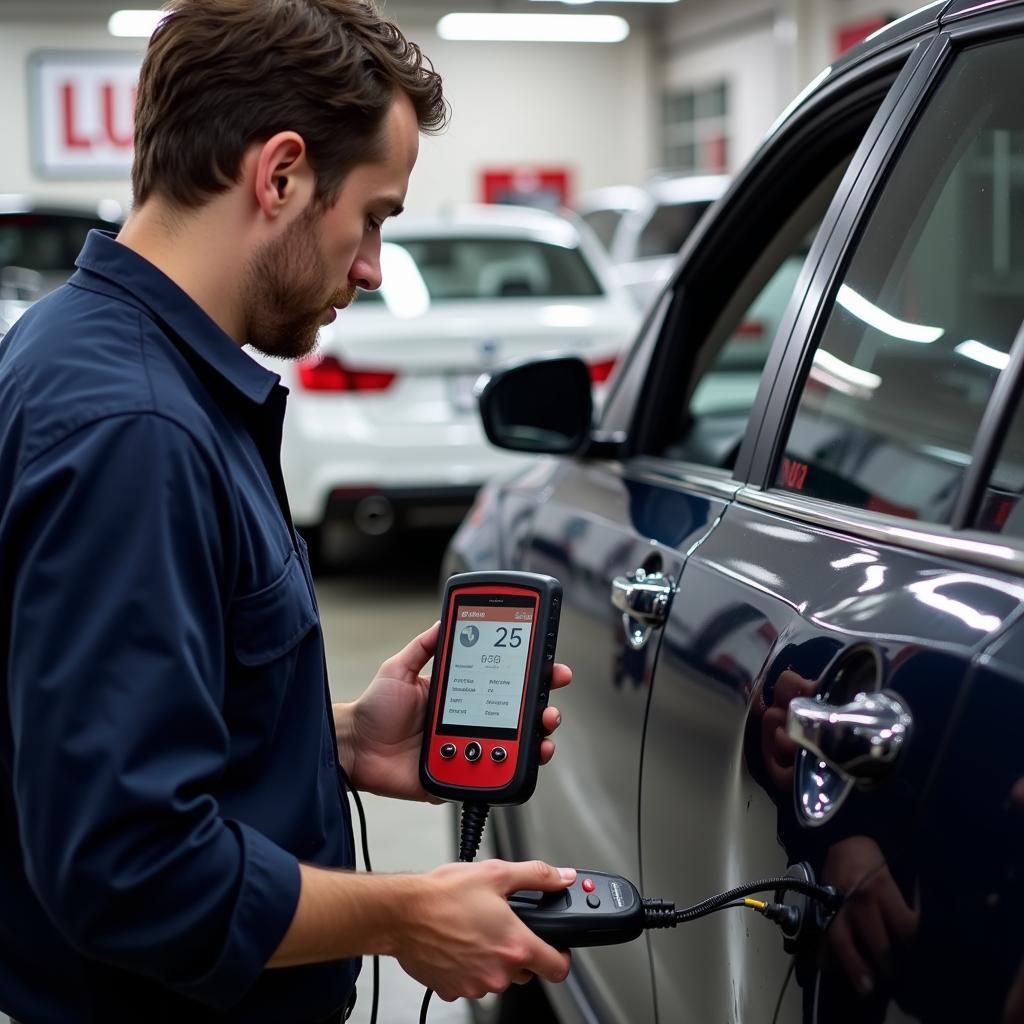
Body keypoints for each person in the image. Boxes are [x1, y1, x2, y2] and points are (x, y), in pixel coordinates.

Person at [0, 2, 576, 1021]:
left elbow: (84, 725)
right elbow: (128, 864)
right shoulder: (138, 429)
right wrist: (406, 912)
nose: (370, 266)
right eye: (372, 217)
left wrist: (338, 738)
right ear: (278, 175)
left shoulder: (85, 354)